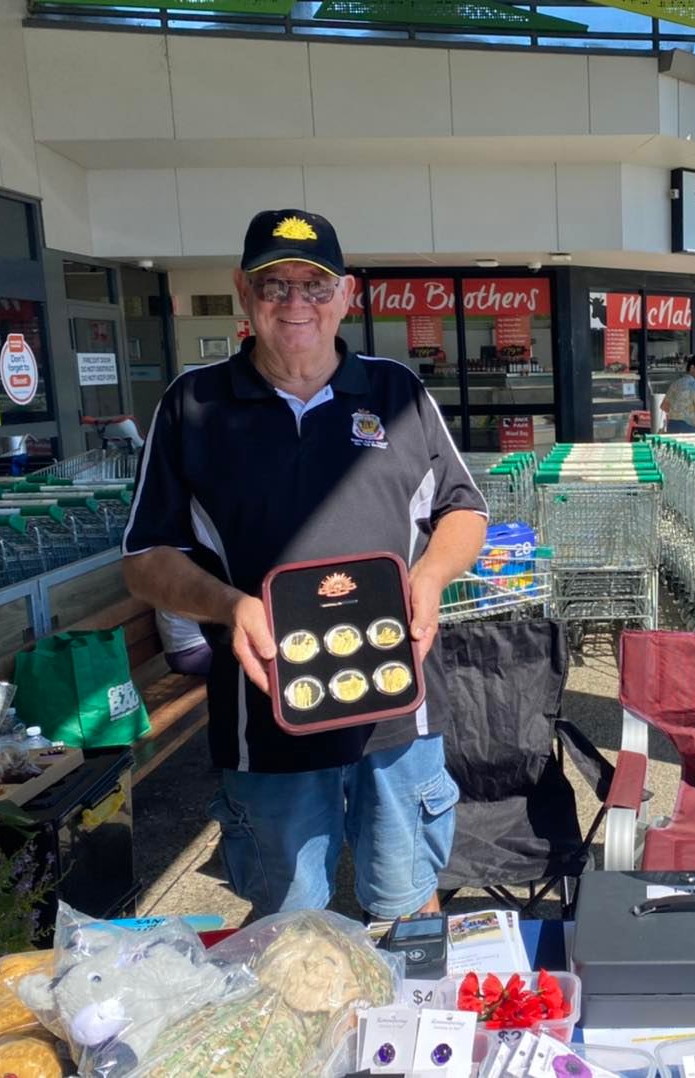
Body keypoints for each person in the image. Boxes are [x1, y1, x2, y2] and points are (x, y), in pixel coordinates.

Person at [121, 208, 487, 919]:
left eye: (315, 285)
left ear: (346, 295)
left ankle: (420, 1029)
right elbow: (144, 558)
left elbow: (463, 511)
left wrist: (432, 576)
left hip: (396, 707)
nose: (296, 303)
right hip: (265, 717)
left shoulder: (398, 394)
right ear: (242, 293)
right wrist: (230, 606)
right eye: (275, 284)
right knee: (288, 923)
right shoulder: (192, 404)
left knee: (410, 900)